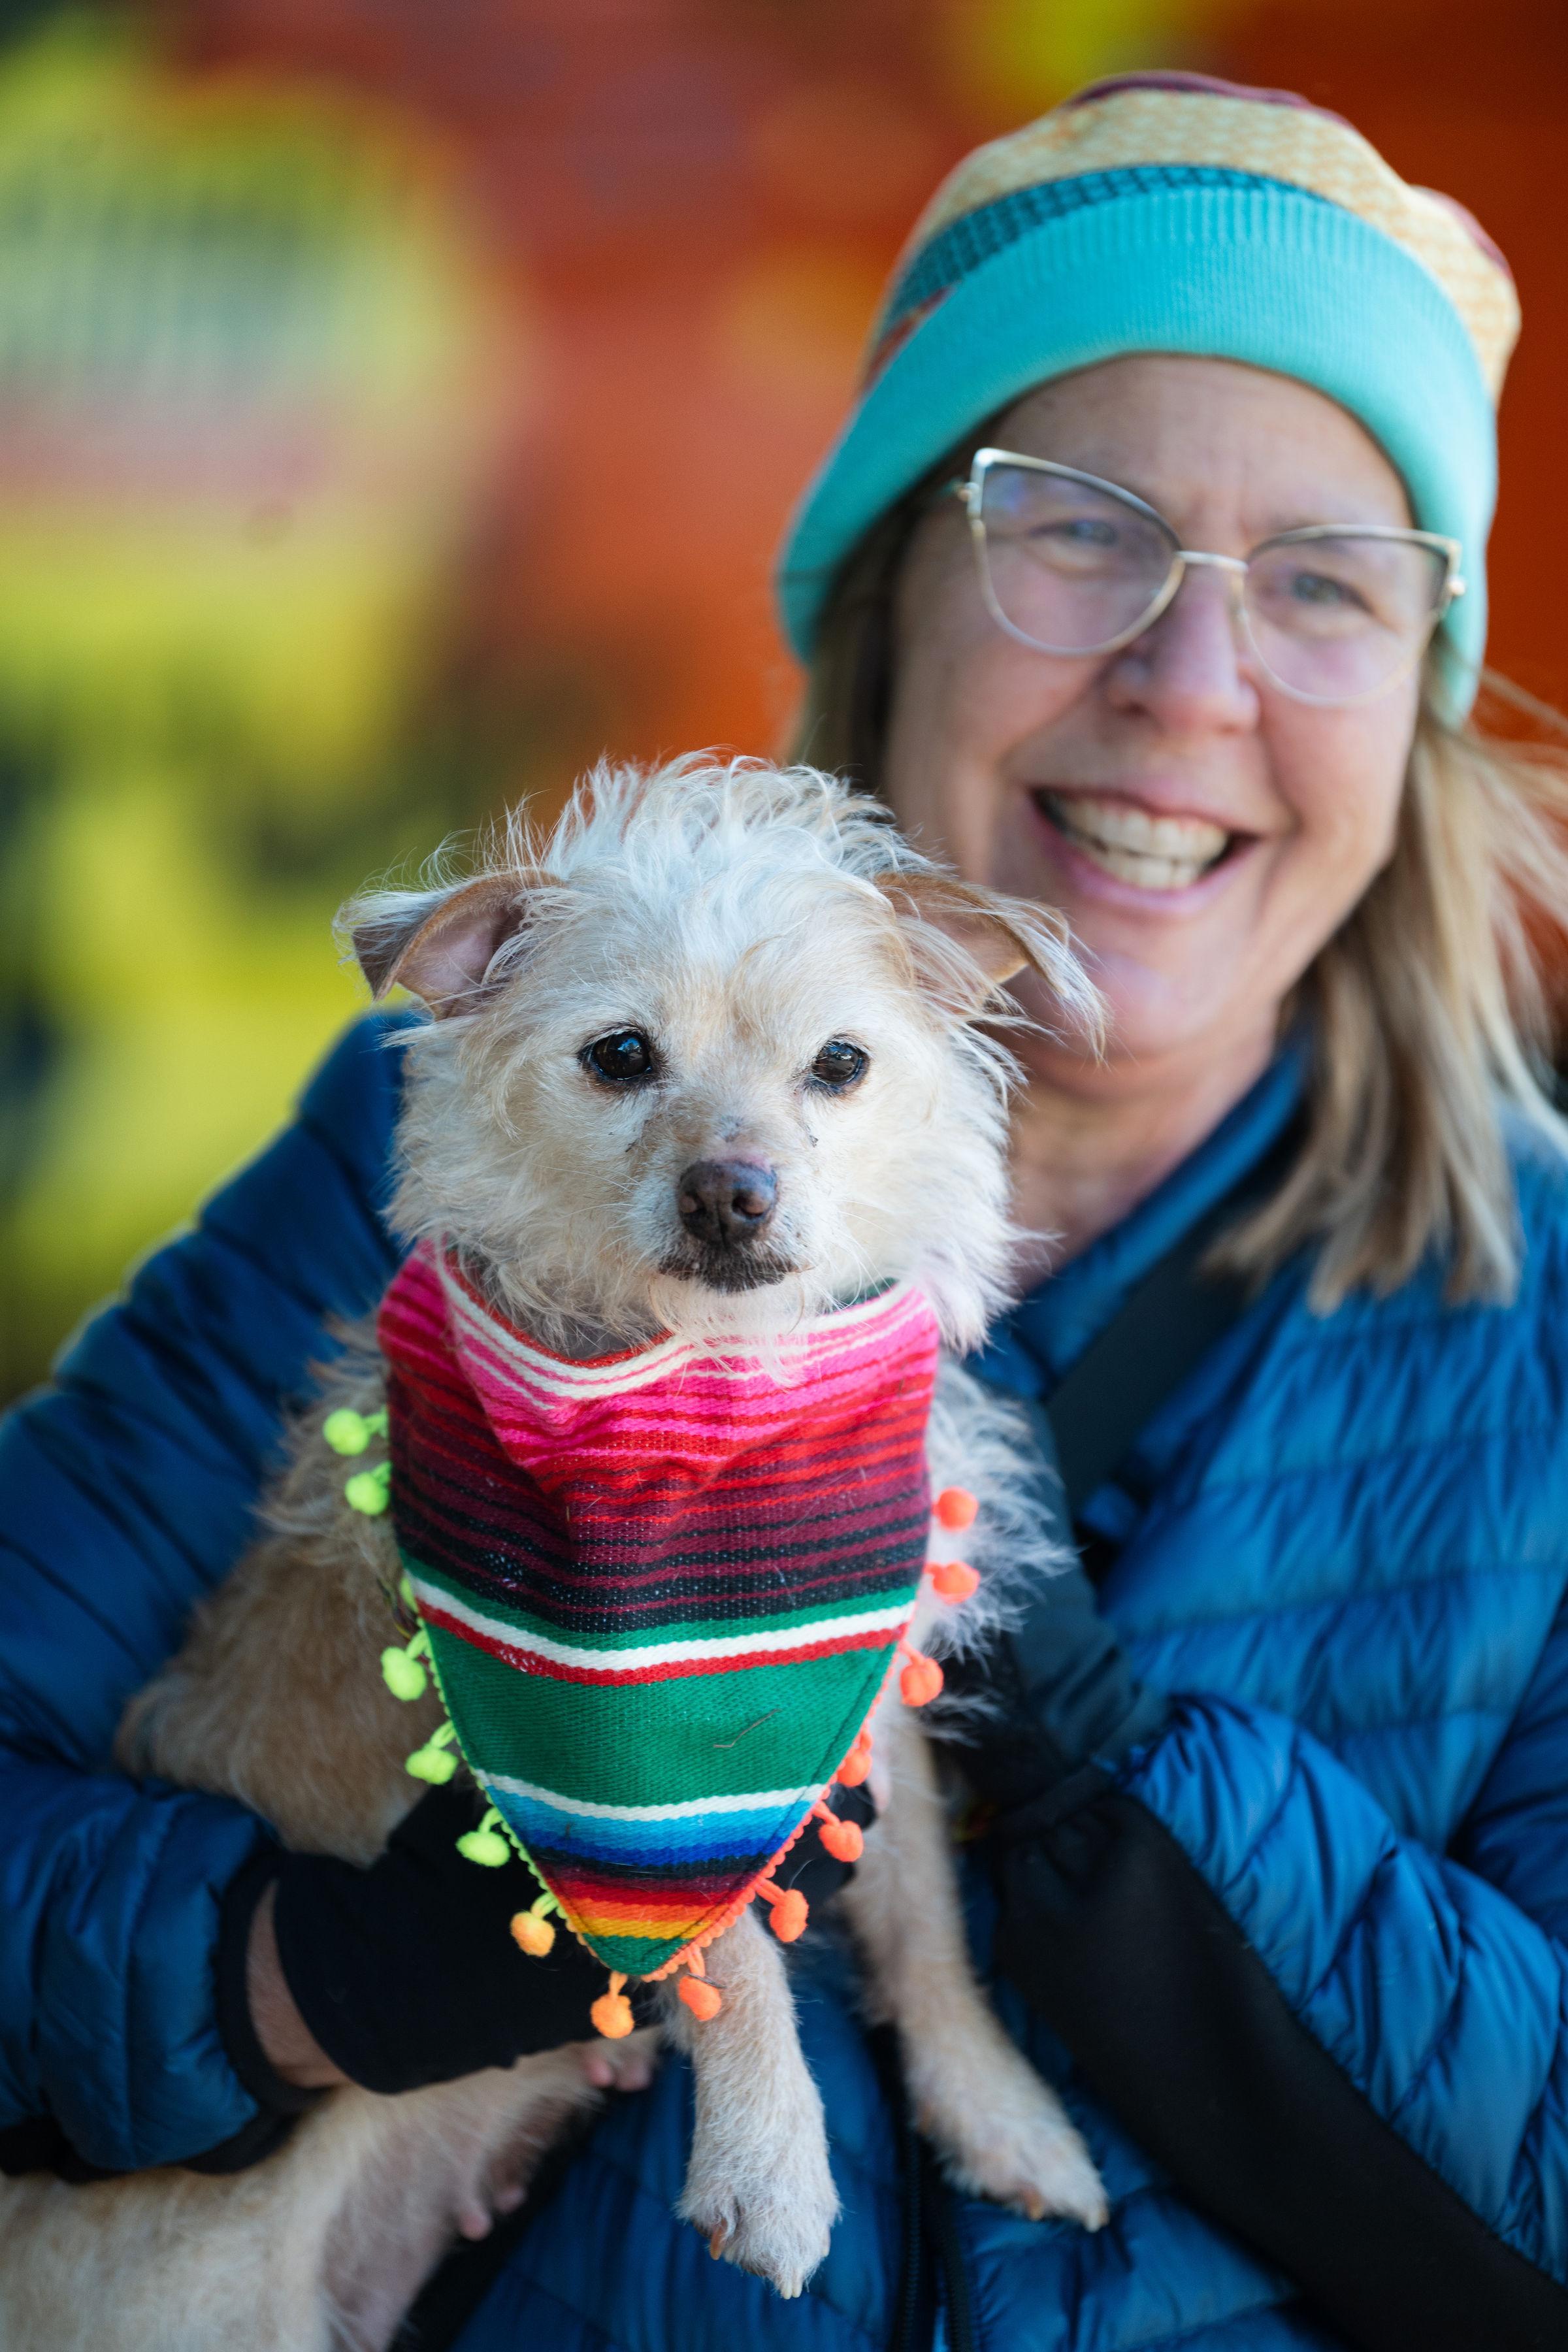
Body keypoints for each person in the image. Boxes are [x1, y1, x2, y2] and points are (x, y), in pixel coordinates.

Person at [3, 66, 1568, 2352]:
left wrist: (1063, 1733)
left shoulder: (1543, 1323)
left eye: (1325, 583)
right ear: (894, 589)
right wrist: (300, 1978)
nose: (1191, 683)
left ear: (1409, 697)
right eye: (1079, 527)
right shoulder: (440, 1146)